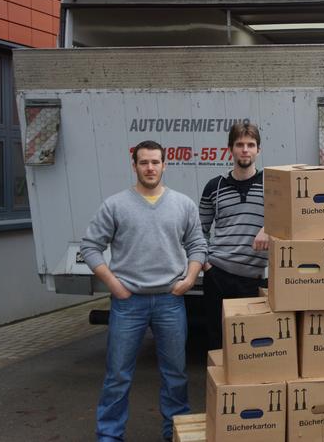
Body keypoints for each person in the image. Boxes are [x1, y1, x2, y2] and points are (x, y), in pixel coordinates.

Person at [80, 140, 206, 441]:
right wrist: (114, 285)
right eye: (144, 162)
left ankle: (174, 432)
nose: (150, 168)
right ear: (134, 165)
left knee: (175, 374)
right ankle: (109, 435)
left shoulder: (183, 204)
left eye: (155, 162)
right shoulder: (115, 205)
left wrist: (189, 280)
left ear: (165, 165)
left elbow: (198, 245)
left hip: (170, 302)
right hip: (128, 303)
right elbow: (90, 247)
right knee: (118, 376)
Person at [199, 122, 269, 351]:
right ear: (230, 149)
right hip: (218, 276)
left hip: (255, 280)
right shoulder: (214, 187)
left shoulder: (273, 185)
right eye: (240, 144)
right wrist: (207, 265)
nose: (245, 150)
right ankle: (220, 387)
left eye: (250, 145)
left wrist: (268, 227)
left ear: (259, 150)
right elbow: (199, 230)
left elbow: (291, 221)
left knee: (252, 345)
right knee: (217, 342)